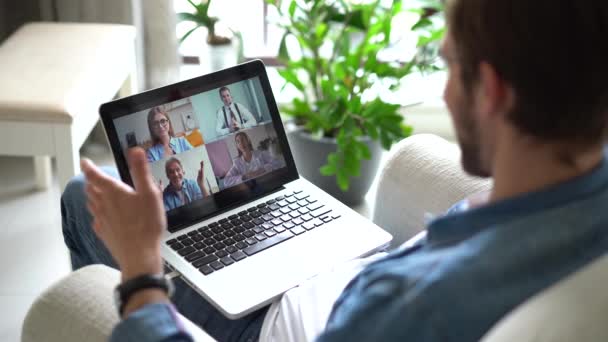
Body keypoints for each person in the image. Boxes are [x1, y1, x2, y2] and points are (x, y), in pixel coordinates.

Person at [61, 0, 608, 341]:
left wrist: (140, 274)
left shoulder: (411, 310)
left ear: (489, 90)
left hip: (276, 325)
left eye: (448, 65)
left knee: (82, 195)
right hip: (348, 271)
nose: (444, 86)